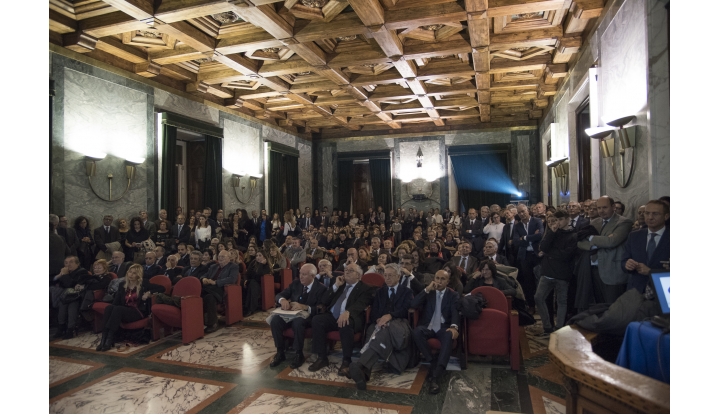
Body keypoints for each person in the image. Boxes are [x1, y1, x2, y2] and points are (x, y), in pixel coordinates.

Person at [348, 263, 413, 390]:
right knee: (375, 330)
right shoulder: (380, 292)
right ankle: (363, 373)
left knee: (383, 332)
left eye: (391, 276)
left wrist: (390, 316)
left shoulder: (406, 291)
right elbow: (374, 311)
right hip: (380, 323)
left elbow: (406, 310)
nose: (387, 278)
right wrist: (379, 319)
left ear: (398, 277)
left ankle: (361, 365)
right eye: (386, 275)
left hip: (399, 324)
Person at [308, 263, 376, 373]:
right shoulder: (340, 285)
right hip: (333, 316)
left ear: (358, 275)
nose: (347, 272)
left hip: (351, 317)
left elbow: (361, 303)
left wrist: (348, 312)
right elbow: (324, 300)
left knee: (345, 322)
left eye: (351, 270)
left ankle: (346, 360)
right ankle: (322, 358)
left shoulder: (365, 288)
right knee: (317, 320)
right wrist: (335, 286)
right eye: (346, 270)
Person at [269, 263, 328, 369]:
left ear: (312, 276)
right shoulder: (296, 284)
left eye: (304, 274)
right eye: (300, 273)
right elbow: (280, 295)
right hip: (291, 314)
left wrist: (305, 307)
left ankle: (298, 354)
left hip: (309, 317)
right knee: (275, 320)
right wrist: (282, 300)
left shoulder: (321, 288)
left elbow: (321, 309)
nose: (301, 276)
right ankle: (280, 351)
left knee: (298, 322)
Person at [411, 270, 460, 395]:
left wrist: (454, 327)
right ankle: (432, 360)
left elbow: (455, 311)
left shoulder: (452, 295)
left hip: (444, 326)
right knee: (416, 332)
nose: (439, 281)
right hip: (429, 326)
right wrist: (426, 290)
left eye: (442, 279)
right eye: (437, 278)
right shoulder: (429, 292)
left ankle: (436, 375)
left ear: (448, 281)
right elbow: (413, 304)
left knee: (449, 335)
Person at [577, 196, 633, 304]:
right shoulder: (594, 222)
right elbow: (579, 242)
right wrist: (601, 242)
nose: (601, 211)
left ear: (613, 207)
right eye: (599, 208)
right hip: (593, 269)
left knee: (613, 307)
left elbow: (612, 242)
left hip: (612, 270)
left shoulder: (624, 222)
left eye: (604, 207)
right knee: (599, 306)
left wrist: (590, 238)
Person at [96, 264, 165, 351]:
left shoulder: (144, 283)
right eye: (130, 272)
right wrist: (111, 310)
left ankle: (109, 339)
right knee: (109, 308)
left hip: (138, 311)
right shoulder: (122, 285)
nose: (131, 275)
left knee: (118, 309)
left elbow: (162, 288)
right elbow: (116, 302)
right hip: (124, 311)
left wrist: (149, 292)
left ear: (138, 275)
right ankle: (104, 339)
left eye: (134, 273)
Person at [534, 210, 577, 335]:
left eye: (560, 219)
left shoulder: (573, 235)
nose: (557, 223)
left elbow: (566, 255)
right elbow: (542, 247)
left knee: (561, 301)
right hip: (547, 271)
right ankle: (547, 326)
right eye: (556, 220)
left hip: (563, 273)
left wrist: (549, 253)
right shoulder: (552, 232)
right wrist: (552, 233)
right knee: (538, 297)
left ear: (568, 219)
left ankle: (559, 328)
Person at [621, 200, 670, 293]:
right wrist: (627, 265)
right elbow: (624, 261)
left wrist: (651, 272)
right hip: (636, 291)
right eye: (647, 213)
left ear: (666, 216)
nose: (650, 217)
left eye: (655, 214)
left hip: (663, 291)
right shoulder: (634, 236)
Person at [512, 205, 544, 313]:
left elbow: (540, 235)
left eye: (523, 211)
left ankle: (542, 305)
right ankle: (531, 305)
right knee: (528, 282)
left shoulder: (537, 221)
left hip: (537, 254)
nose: (522, 214)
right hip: (525, 256)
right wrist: (532, 236)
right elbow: (516, 241)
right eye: (519, 212)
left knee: (540, 281)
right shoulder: (517, 225)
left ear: (527, 211)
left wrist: (525, 237)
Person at [200, 250, 240, 333]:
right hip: (208, 288)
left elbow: (232, 279)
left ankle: (213, 323)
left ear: (229, 258)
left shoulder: (233, 266)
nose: (220, 258)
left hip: (220, 289)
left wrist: (215, 282)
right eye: (219, 256)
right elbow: (205, 275)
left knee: (209, 297)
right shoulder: (213, 266)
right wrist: (204, 279)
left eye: (223, 256)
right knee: (204, 296)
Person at [52, 256, 89, 339]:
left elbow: (71, 285)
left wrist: (65, 275)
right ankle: (61, 327)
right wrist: (58, 276)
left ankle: (70, 329)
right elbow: (53, 282)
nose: (68, 264)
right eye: (66, 262)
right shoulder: (64, 272)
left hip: (78, 296)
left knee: (72, 304)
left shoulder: (82, 272)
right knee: (63, 303)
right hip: (65, 295)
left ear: (77, 264)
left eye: (71, 262)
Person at [243, 249, 272, 315]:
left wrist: (261, 264)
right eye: (257, 256)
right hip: (251, 282)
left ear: (264, 257)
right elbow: (247, 273)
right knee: (250, 284)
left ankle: (249, 308)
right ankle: (248, 307)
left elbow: (259, 275)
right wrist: (245, 280)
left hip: (261, 284)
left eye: (260, 255)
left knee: (253, 284)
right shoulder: (253, 263)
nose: (257, 257)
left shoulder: (266, 266)